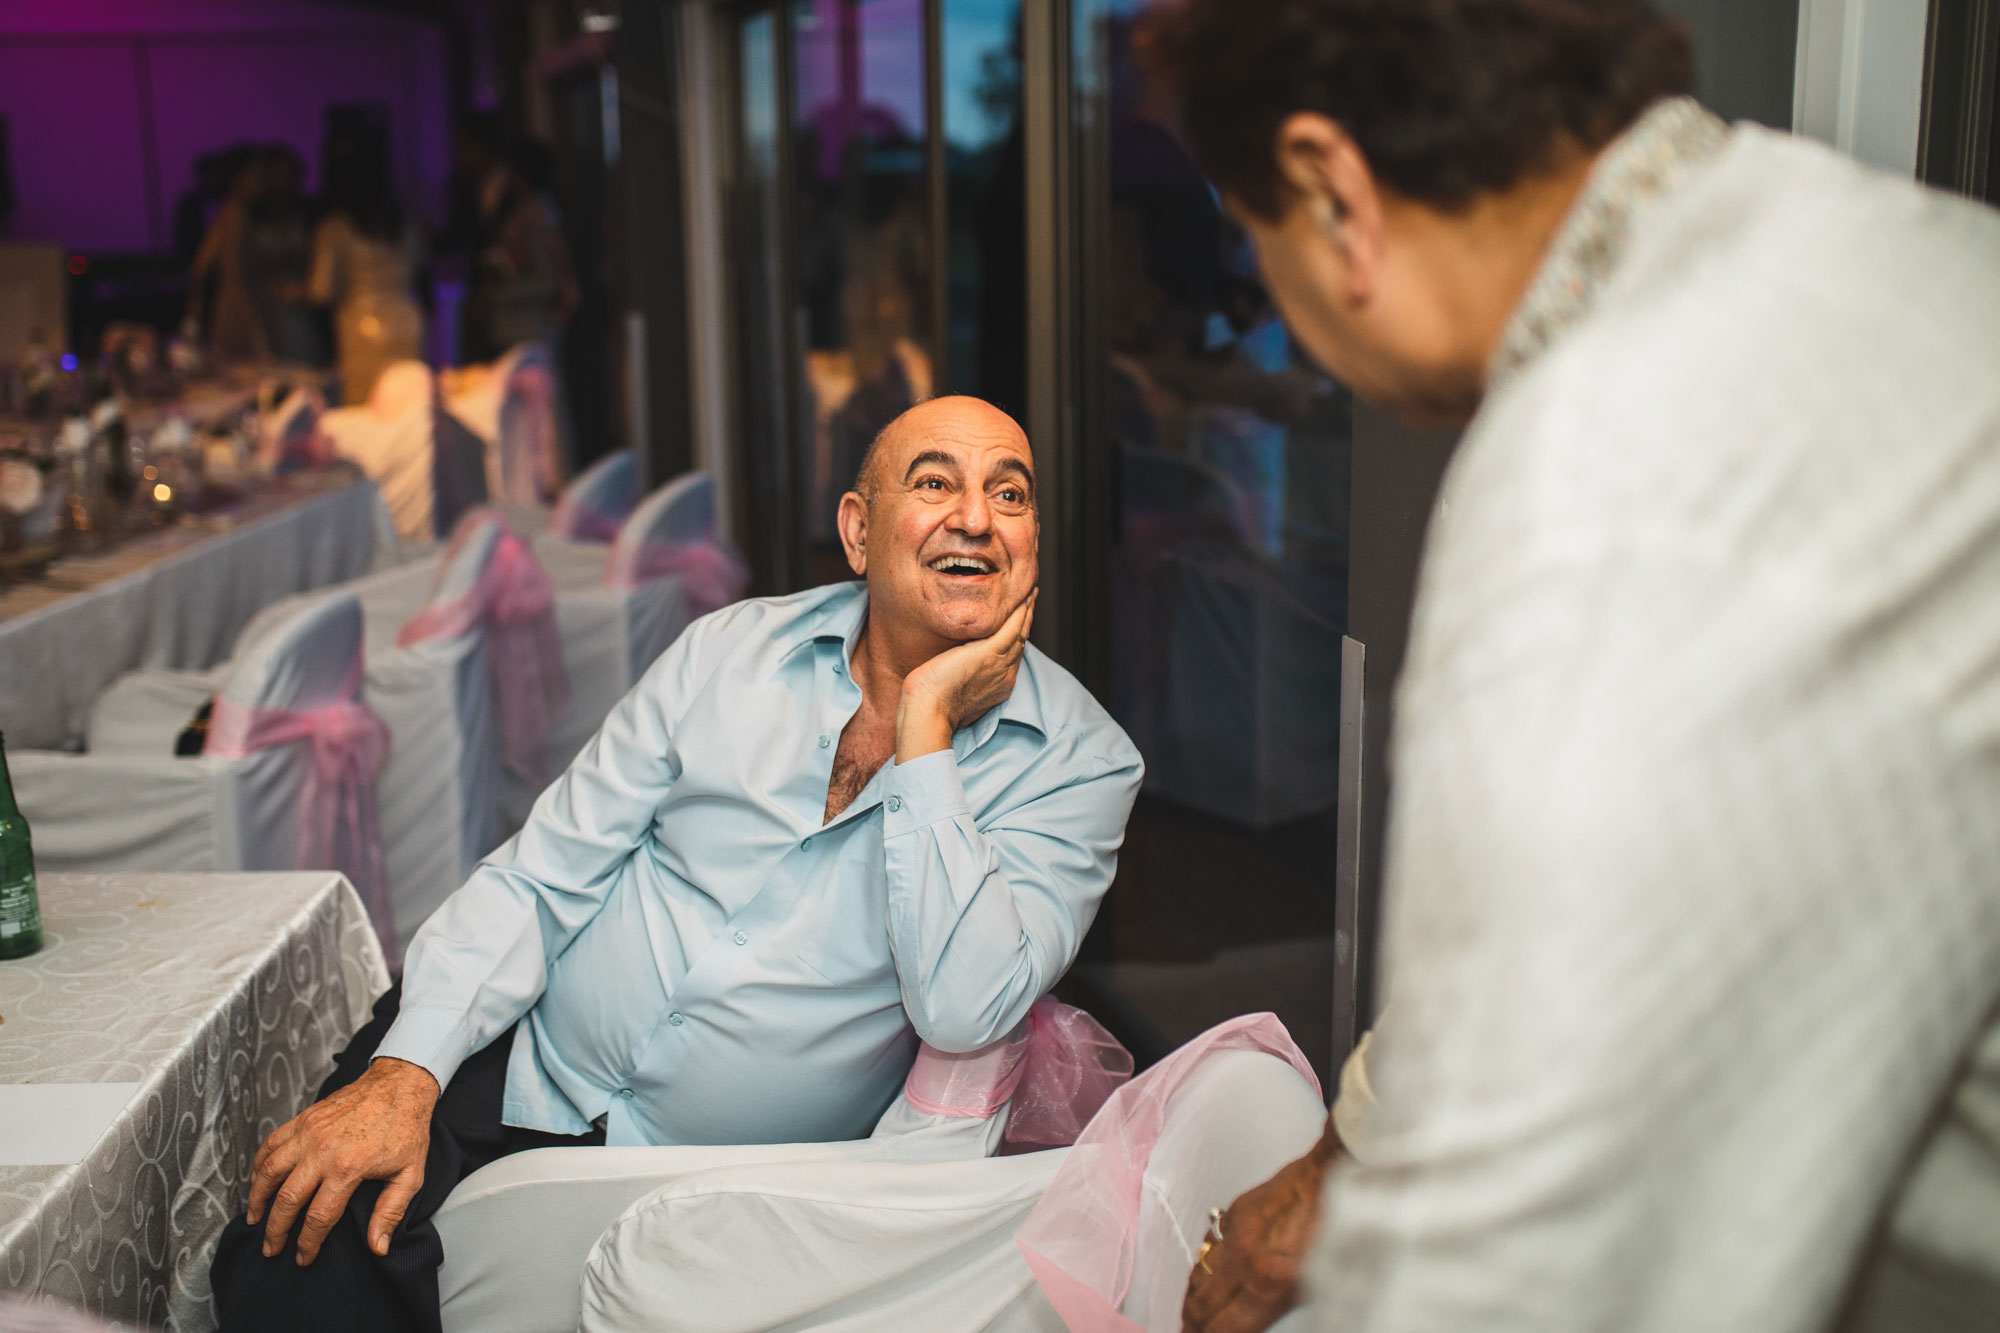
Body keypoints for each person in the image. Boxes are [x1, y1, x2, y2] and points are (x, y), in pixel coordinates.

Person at [1150, 3, 2000, 1332]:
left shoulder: (1610, 496)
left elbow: (1517, 1281)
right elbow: (1560, 919)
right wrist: (1337, 1164)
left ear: (1331, 191)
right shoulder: (1865, 239)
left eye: (1254, 239)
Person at [208, 395, 1144, 1332]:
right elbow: (541, 877)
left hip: (720, 1167)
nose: (976, 517)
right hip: (530, 1049)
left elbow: (965, 1004)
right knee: (297, 1247)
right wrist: (404, 1074)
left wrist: (926, 731)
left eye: (1008, 493)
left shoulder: (1081, 762)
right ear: (859, 533)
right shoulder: (729, 652)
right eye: (935, 482)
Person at [304, 135, 425, 406]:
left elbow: (321, 290)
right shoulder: (403, 222)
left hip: (361, 327)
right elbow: (419, 267)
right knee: (408, 410)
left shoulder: (335, 228)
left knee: (368, 412)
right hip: (408, 320)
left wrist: (291, 291)